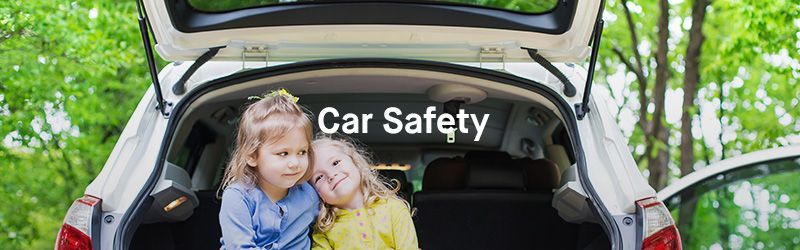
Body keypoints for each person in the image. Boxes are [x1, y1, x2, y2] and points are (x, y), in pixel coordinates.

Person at [218, 89, 319, 249]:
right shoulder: (238, 197)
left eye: (302, 152)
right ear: (252, 156)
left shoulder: (309, 195)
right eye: (283, 153)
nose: (295, 162)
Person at [309, 137, 418, 250]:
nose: (331, 175)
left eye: (336, 163)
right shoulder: (323, 229)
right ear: (313, 192)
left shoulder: (394, 208)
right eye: (319, 177)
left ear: (355, 163)